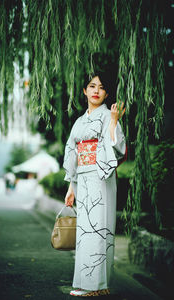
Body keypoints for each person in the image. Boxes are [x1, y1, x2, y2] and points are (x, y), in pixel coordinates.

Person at [63, 72, 126, 297]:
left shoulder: (109, 115)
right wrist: (72, 186)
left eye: (101, 87)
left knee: (98, 229)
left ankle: (97, 285)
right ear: (85, 91)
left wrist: (115, 121)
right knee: (84, 232)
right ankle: (86, 282)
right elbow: (73, 152)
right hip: (83, 179)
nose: (96, 91)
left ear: (106, 93)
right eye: (92, 86)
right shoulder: (80, 121)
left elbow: (117, 147)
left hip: (101, 177)